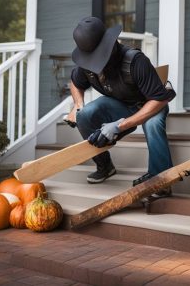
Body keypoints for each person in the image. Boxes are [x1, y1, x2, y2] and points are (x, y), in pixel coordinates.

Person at [66, 16, 175, 198]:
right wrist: (77, 105)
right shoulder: (87, 67)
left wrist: (119, 126)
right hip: (121, 105)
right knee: (84, 114)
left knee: (152, 124)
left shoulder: (135, 61)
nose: (95, 65)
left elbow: (160, 99)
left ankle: (161, 180)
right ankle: (105, 166)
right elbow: (75, 83)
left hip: (151, 103)